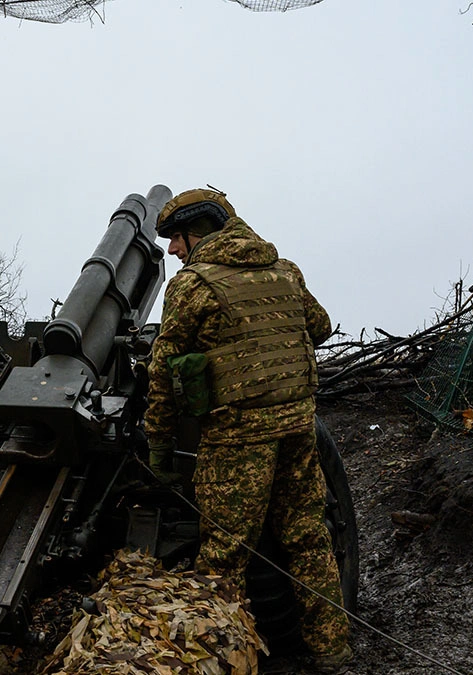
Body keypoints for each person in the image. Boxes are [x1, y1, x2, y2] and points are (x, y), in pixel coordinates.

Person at [143, 188, 352, 673]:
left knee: (223, 557)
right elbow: (317, 327)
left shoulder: (194, 285)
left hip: (237, 439)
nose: (173, 250)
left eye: (177, 238)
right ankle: (333, 650)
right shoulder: (284, 270)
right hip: (298, 427)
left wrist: (159, 445)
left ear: (201, 232)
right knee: (307, 537)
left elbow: (162, 370)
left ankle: (224, 662)